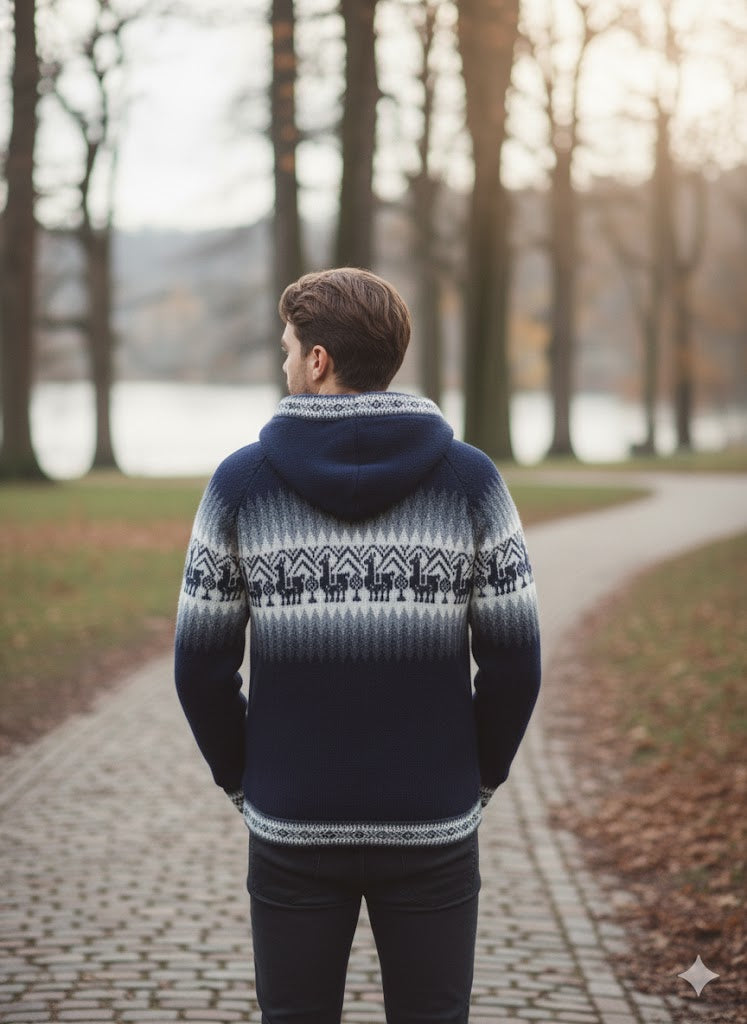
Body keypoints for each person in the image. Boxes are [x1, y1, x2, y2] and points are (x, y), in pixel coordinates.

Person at [174, 267, 541, 1023]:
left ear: (317, 361)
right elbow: (513, 660)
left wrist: (248, 784)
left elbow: (200, 666)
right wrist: (476, 781)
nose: (284, 363)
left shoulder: (240, 486)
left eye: (287, 349)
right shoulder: (471, 482)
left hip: (292, 824)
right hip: (433, 822)